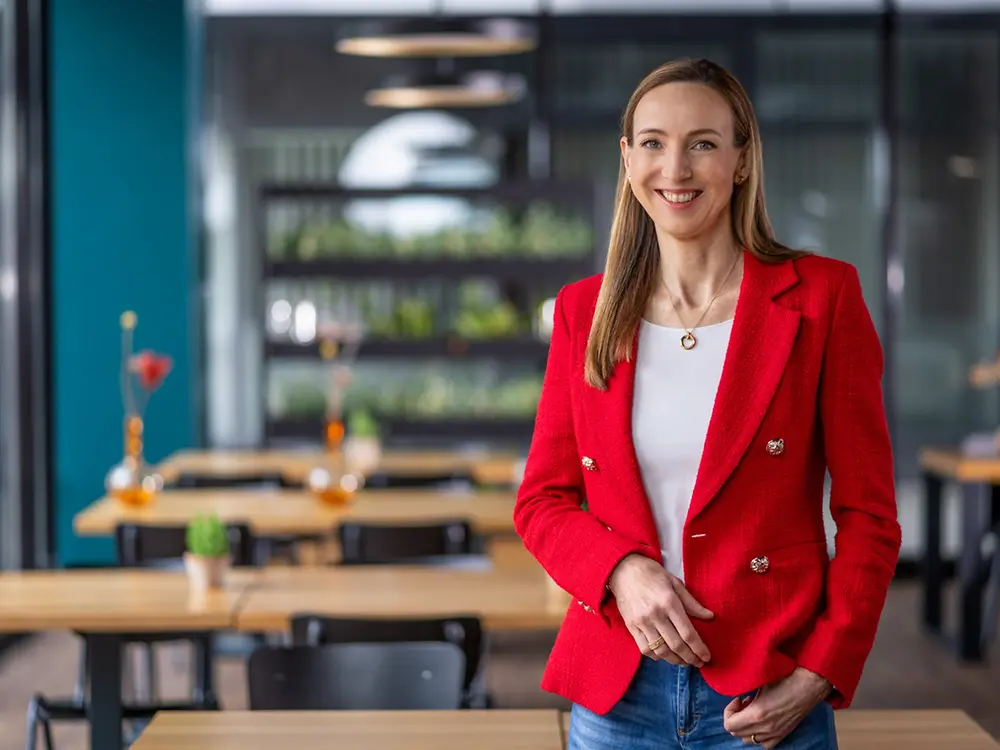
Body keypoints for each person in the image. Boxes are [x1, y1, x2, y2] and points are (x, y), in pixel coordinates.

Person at [513, 58, 901, 750]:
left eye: (703, 143)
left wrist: (821, 671)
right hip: (617, 694)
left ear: (743, 159)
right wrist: (619, 570)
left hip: (769, 688)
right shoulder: (584, 312)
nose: (676, 168)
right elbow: (542, 500)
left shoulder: (822, 298)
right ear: (628, 159)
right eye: (655, 143)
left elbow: (869, 514)